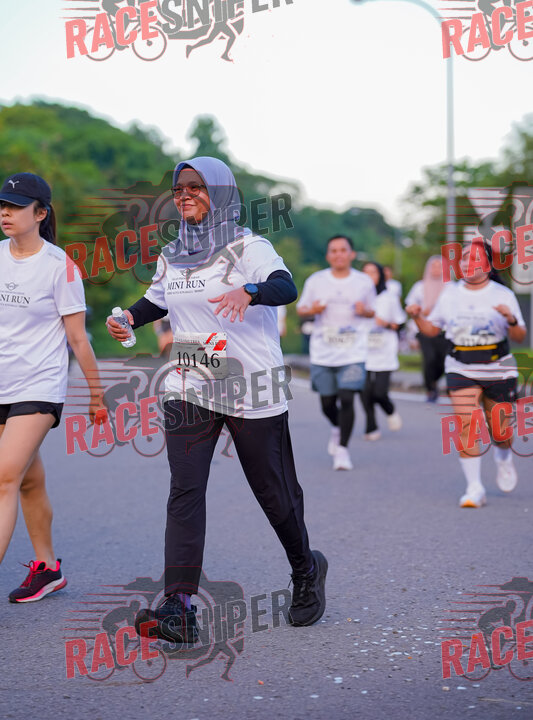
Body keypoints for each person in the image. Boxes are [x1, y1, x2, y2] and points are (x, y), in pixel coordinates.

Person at [106, 156, 327, 641]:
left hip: (250, 385)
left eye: (196, 186)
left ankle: (306, 569)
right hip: (191, 383)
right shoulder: (173, 254)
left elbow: (285, 286)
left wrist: (250, 290)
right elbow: (157, 300)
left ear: (222, 193)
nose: (184, 194)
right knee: (185, 491)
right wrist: (128, 318)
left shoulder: (249, 246)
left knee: (273, 492)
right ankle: (179, 608)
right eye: (178, 188)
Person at [0, 172, 104, 601]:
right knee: (27, 481)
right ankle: (47, 568)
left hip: (38, 386)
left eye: (16, 205)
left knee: (4, 477)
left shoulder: (60, 266)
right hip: (2, 383)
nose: (5, 212)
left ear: (40, 213)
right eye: (3, 204)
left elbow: (78, 338)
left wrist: (97, 395)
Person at [406, 238, 526, 508]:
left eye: (475, 257)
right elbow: (432, 329)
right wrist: (416, 316)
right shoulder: (450, 294)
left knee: (501, 432)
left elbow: (519, 335)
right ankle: (474, 487)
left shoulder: (502, 294)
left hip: (498, 369)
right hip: (461, 367)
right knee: (467, 424)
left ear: (488, 265)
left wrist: (510, 319)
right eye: (464, 258)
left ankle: (503, 457)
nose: (468, 262)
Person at [296, 236, 376, 471]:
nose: (339, 254)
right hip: (323, 351)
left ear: (351, 254)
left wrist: (365, 311)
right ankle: (337, 427)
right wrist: (313, 309)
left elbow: (373, 312)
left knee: (348, 397)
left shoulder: (363, 282)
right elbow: (301, 309)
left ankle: (342, 450)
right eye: (334, 250)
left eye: (343, 250)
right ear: (328, 255)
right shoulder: (316, 280)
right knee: (327, 403)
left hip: (353, 352)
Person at [360, 262, 406, 440]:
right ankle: (371, 426)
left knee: (379, 392)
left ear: (380, 275)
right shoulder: (357, 298)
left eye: (373, 273)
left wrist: (385, 323)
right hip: (361, 350)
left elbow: (400, 324)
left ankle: (390, 410)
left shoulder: (389, 298)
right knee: (364, 391)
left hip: (384, 350)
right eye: (365, 273)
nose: (369, 276)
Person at [405, 255, 448, 401]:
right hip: (424, 329)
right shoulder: (419, 287)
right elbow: (410, 306)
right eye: (433, 266)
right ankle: (430, 388)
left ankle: (434, 381)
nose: (436, 269)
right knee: (429, 359)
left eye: (439, 266)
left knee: (443, 361)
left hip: (443, 330)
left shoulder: (451, 288)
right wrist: (422, 311)